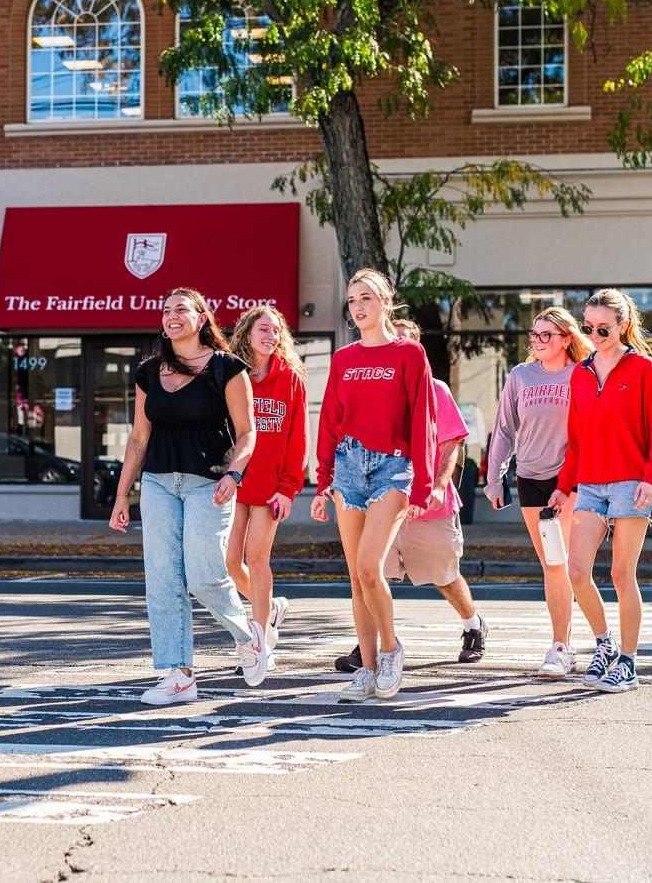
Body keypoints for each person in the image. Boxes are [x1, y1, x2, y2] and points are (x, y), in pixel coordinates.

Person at [110, 287, 266, 704]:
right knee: (162, 580)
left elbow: (248, 432)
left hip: (209, 483)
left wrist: (235, 473)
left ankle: (248, 635)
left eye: (181, 309)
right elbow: (139, 439)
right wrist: (122, 495)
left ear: (201, 318)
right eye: (165, 311)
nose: (171, 316)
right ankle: (178, 675)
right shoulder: (148, 372)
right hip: (159, 483)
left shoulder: (227, 368)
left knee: (203, 575)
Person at [333, 318, 487, 672]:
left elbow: (451, 446)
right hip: (380, 502)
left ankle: (473, 625)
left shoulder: (435, 390)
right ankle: (370, 646)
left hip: (426, 506)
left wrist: (435, 486)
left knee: (443, 575)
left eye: (405, 341)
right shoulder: (369, 390)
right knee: (369, 574)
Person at [312, 268, 436, 702]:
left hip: (392, 468)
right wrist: (323, 476)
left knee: (370, 567)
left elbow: (423, 419)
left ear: (385, 301)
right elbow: (330, 418)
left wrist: (423, 483)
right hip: (348, 465)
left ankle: (390, 649)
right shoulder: (344, 359)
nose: (359, 306)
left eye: (367, 297)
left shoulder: (410, 354)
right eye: (352, 300)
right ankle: (365, 669)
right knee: (355, 577)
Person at [549, 288, 652, 693]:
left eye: (604, 327)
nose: (596, 334)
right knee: (577, 570)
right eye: (589, 328)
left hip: (630, 483)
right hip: (590, 484)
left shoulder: (642, 369)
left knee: (622, 574)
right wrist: (565, 486)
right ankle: (605, 643)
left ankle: (629, 662)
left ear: (623, 325)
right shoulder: (581, 374)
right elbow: (576, 436)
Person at [485, 307, 590, 677]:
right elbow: (503, 429)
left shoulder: (581, 374)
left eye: (547, 334)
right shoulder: (520, 376)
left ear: (566, 339)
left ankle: (561, 646)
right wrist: (494, 476)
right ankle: (567, 644)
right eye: (535, 334)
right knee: (551, 564)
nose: (538, 341)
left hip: (570, 479)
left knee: (562, 562)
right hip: (530, 477)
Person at [225, 306, 308, 682]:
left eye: (276, 331)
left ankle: (261, 643)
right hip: (235, 481)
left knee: (257, 559)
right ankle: (269, 606)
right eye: (264, 329)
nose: (271, 336)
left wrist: (289, 488)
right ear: (247, 332)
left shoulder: (290, 380)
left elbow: (297, 440)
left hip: (270, 488)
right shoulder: (231, 374)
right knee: (229, 563)